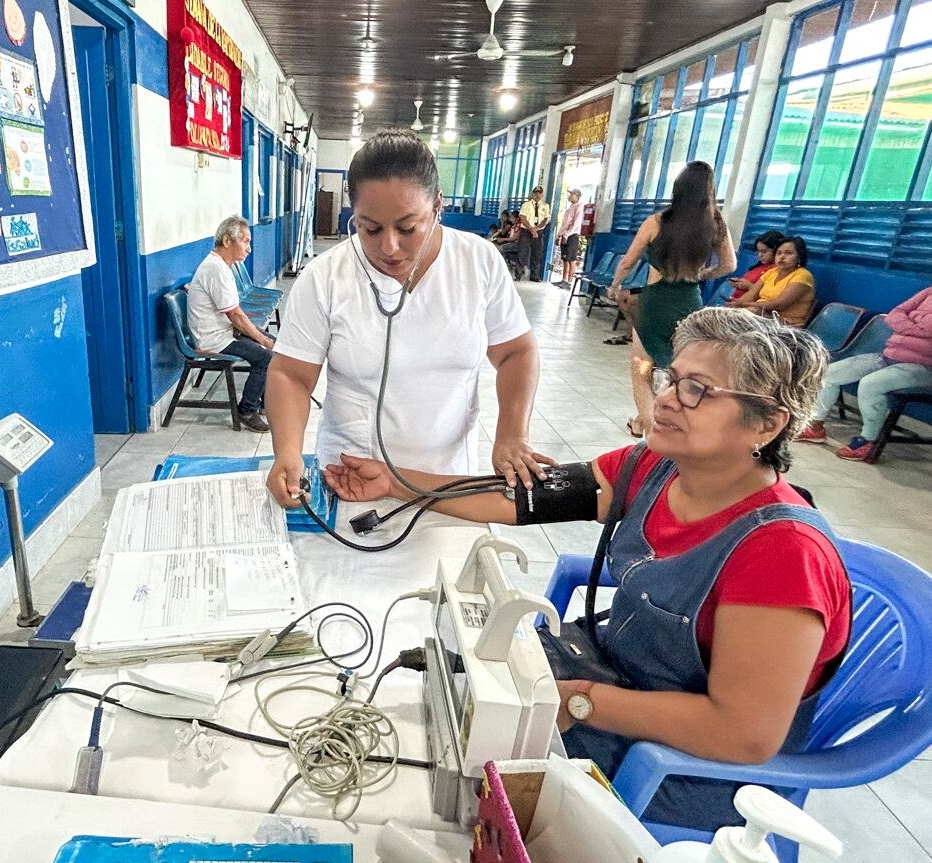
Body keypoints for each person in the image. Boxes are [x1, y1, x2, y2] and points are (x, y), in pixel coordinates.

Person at [322, 308, 851, 832]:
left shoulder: (783, 555)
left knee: (449, 785)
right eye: (671, 378)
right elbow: (518, 498)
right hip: (611, 681)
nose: (666, 398)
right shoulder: (654, 467)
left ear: (767, 423)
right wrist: (396, 482)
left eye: (698, 390)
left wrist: (581, 701)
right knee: (438, 703)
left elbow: (742, 734)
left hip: (682, 766)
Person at [264, 129, 549, 508]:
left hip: (448, 485)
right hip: (350, 479)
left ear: (437, 206)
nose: (389, 246)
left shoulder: (478, 261)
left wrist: (512, 434)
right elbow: (291, 374)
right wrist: (287, 451)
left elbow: (516, 352)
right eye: (370, 228)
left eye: (407, 227)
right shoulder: (325, 277)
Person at [608, 162, 737, 437]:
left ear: (678, 188)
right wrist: (705, 273)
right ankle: (650, 422)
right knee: (679, 369)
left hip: (654, 303)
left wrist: (615, 284)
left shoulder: (656, 222)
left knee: (642, 367)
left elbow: (628, 262)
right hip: (690, 303)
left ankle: (648, 428)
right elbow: (730, 265)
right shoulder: (715, 224)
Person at [798, 285, 932, 461]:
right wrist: (915, 326)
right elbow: (895, 313)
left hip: (923, 367)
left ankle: (868, 441)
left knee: (871, 384)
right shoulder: (929, 291)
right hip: (888, 356)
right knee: (830, 373)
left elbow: (928, 328)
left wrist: (906, 322)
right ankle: (815, 427)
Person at [185, 215, 273, 432]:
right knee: (266, 357)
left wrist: (262, 337)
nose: (249, 249)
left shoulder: (221, 266)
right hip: (213, 339)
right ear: (227, 241)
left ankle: (264, 402)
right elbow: (235, 315)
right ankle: (247, 411)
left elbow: (234, 313)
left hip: (224, 332)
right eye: (245, 241)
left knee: (273, 344)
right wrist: (261, 339)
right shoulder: (215, 269)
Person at [729, 236, 815, 327]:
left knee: (749, 313)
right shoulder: (771, 272)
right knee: (732, 313)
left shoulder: (803, 275)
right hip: (762, 315)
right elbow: (751, 295)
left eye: (788, 253)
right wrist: (736, 304)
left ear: (799, 257)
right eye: (779, 253)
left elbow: (779, 305)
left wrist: (745, 304)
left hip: (787, 324)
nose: (782, 257)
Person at [726, 230, 784, 301]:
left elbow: (770, 296)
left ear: (777, 250)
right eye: (758, 251)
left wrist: (749, 286)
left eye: (764, 251)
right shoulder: (760, 266)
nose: (759, 255)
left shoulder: (777, 271)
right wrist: (738, 283)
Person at [518, 186, 552, 282]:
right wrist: (531, 229)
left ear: (542, 194)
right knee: (522, 252)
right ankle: (520, 272)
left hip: (538, 232)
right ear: (532, 194)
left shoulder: (545, 206)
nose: (537, 195)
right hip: (526, 231)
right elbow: (523, 218)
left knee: (537, 254)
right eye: (536, 193)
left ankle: (534, 275)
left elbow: (545, 219)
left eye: (539, 193)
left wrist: (536, 229)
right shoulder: (526, 205)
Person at [556, 189, 584, 286]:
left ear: (577, 196)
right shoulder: (570, 208)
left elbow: (576, 223)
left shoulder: (579, 207)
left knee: (571, 259)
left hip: (572, 236)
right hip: (565, 235)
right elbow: (565, 223)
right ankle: (564, 279)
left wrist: (567, 234)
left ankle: (569, 282)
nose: (569, 196)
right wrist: (560, 234)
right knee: (565, 258)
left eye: (572, 194)